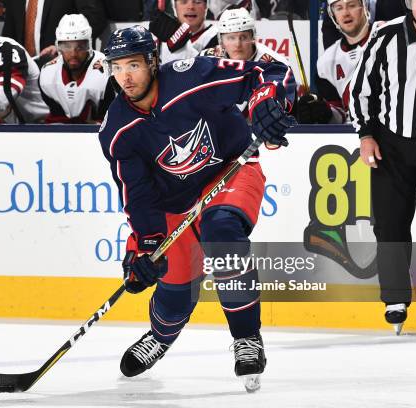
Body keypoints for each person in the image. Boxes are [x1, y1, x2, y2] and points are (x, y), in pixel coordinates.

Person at [99, 26, 296, 391]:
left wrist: (266, 102)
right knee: (173, 294)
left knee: (222, 231)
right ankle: (160, 336)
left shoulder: (190, 78)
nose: (125, 76)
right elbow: (137, 196)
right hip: (175, 205)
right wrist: (144, 248)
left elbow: (266, 73)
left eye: (134, 65)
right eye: (117, 67)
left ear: (153, 62)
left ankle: (246, 338)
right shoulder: (117, 130)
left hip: (230, 172)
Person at [349, 0, 416, 334]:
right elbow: (361, 90)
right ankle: (395, 298)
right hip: (391, 145)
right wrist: (365, 134)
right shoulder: (385, 36)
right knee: (390, 223)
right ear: (408, 3)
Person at [297, 0, 375, 124]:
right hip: (356, 136)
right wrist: (324, 112)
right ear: (332, 15)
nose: (345, 13)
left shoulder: (391, 39)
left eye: (352, 5)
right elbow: (341, 114)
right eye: (339, 8)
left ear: (364, 7)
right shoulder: (326, 63)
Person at [38, 14, 115, 124]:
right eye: (67, 46)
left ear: (89, 46)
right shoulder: (47, 73)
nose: (73, 54)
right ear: (58, 47)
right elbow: (56, 119)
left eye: (80, 47)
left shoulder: (107, 72)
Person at [1, 0, 107, 64]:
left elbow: (95, 19)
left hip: (66, 70)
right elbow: (9, 34)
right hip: (25, 74)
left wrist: (63, 46)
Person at [150, 0, 218, 64]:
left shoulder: (218, 36)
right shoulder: (159, 39)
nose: (191, 7)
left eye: (197, 2)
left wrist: (180, 44)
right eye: (184, 1)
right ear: (174, 6)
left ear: (206, 6)